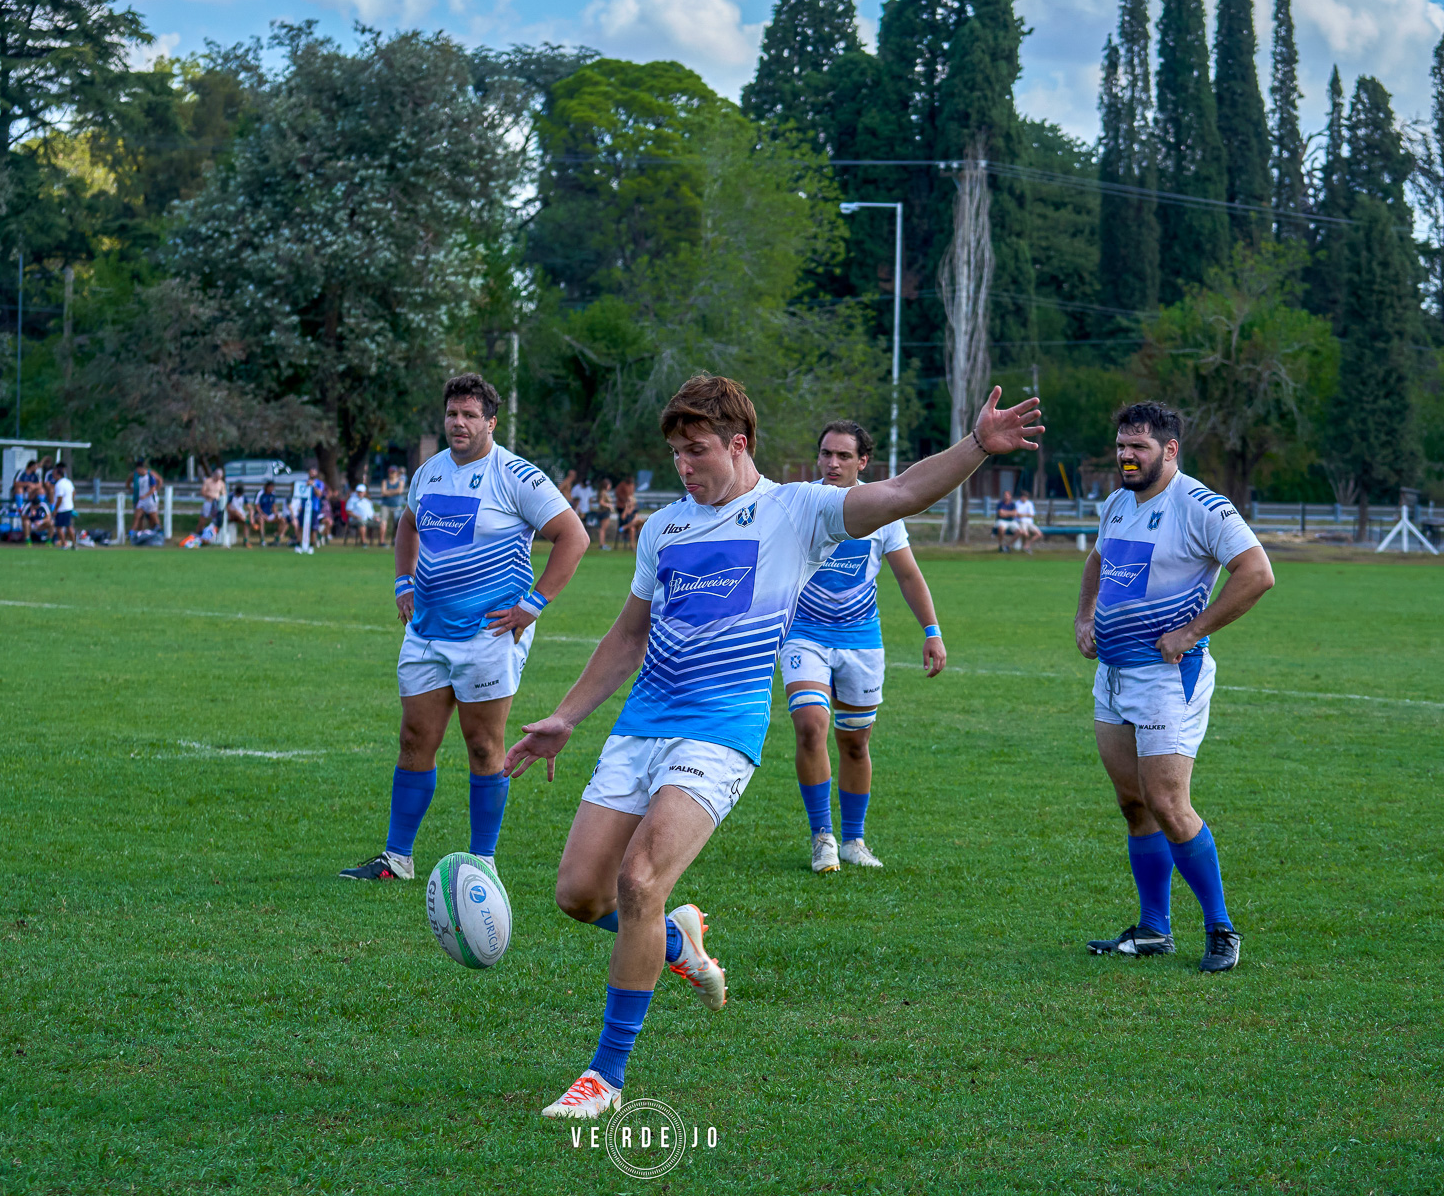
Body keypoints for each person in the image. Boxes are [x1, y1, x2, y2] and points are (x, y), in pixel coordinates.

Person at [504, 375, 1042, 1118]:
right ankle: (675, 940)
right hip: (640, 727)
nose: (683, 467)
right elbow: (629, 634)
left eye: (696, 452)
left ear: (739, 443)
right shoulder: (663, 528)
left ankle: (605, 1077)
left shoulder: (797, 510)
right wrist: (566, 715)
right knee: (578, 895)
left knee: (639, 880)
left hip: (721, 731)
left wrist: (979, 445)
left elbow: (902, 494)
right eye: (674, 454)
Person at [339, 373, 589, 882]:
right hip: (428, 631)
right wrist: (402, 583)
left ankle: (483, 863)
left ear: (490, 422)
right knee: (414, 739)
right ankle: (397, 859)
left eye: (470, 415)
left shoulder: (516, 475)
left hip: (489, 634)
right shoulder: (429, 472)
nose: (459, 422)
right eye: (452, 413)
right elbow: (408, 524)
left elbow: (573, 536)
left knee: (483, 746)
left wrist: (533, 604)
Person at [1074, 402, 1274, 974]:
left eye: (1138, 447)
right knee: (1133, 802)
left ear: (1170, 450)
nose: (1126, 456)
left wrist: (1192, 630)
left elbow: (1258, 573)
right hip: (1112, 675)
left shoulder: (1201, 505)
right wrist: (1086, 616)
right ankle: (1154, 930)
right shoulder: (1117, 503)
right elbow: (1097, 561)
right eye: (1121, 446)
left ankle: (1220, 928)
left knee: (1167, 802)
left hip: (1166, 679)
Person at [782, 420, 948, 874]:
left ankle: (854, 839)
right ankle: (823, 838)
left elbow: (908, 575)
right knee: (811, 724)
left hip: (860, 639)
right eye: (825, 454)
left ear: (863, 461)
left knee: (855, 744)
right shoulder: (801, 502)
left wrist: (932, 631)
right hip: (804, 634)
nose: (832, 463)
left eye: (842, 456)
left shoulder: (881, 511)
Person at [127, 459, 163, 532]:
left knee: (153, 517)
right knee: (137, 516)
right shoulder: (137, 476)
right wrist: (131, 490)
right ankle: (133, 532)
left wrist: (155, 490)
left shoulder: (150, 475)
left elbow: (154, 487)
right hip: (141, 500)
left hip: (150, 500)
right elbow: (128, 482)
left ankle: (159, 531)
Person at [377, 464, 407, 546]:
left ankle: (395, 540)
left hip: (397, 505)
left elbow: (399, 491)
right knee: (383, 523)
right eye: (390, 472)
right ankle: (382, 542)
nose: (392, 474)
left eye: (393, 472)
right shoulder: (385, 481)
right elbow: (383, 492)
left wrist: (388, 491)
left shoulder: (401, 481)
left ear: (396, 473)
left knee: (397, 523)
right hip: (385, 505)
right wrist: (394, 491)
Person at [253, 480, 289, 545]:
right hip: (260, 514)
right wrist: (263, 514)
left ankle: (277, 539)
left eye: (272, 487)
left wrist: (276, 513)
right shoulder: (260, 493)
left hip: (269, 515)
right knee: (261, 520)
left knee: (282, 520)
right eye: (270, 487)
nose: (271, 489)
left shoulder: (273, 494)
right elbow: (257, 506)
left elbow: (273, 506)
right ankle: (262, 540)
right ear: (267, 487)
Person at [50, 465, 77, 547]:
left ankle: (64, 544)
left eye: (54, 474)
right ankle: (74, 544)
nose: (53, 476)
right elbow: (74, 492)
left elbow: (59, 498)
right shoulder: (68, 482)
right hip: (69, 507)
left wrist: (55, 509)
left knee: (59, 527)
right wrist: (70, 501)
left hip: (62, 509)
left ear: (58, 475)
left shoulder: (59, 484)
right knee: (69, 526)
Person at [613, 477, 642, 552]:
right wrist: (626, 509)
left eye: (630, 501)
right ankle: (633, 547)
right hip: (626, 524)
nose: (628, 502)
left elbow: (636, 519)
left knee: (639, 525)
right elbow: (622, 518)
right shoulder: (624, 509)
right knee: (632, 529)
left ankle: (625, 527)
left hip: (632, 525)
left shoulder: (635, 509)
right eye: (628, 501)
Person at [197, 468, 225, 537]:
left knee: (216, 519)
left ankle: (214, 535)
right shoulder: (207, 481)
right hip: (208, 501)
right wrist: (209, 495)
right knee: (203, 517)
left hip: (217, 503)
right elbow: (202, 492)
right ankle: (199, 532)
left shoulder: (221, 483)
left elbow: (223, 493)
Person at [1015, 489, 1042, 553]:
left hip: (1030, 523)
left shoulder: (1030, 503)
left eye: (1025, 497)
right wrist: (1027, 514)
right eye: (1023, 497)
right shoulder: (1017, 503)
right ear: (1021, 497)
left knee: (1039, 534)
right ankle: (1024, 548)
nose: (1024, 498)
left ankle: (1026, 546)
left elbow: (1032, 515)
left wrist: (1024, 514)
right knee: (1026, 534)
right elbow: (1018, 515)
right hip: (1022, 522)